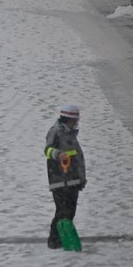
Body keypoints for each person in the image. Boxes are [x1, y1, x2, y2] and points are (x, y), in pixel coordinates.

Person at [43, 105, 87, 249]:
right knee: (62, 212)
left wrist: (81, 179)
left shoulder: (70, 134)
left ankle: (63, 239)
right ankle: (54, 241)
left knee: (70, 212)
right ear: (69, 119)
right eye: (75, 119)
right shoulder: (56, 132)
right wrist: (58, 154)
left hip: (73, 181)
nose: (77, 122)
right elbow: (47, 149)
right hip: (60, 181)